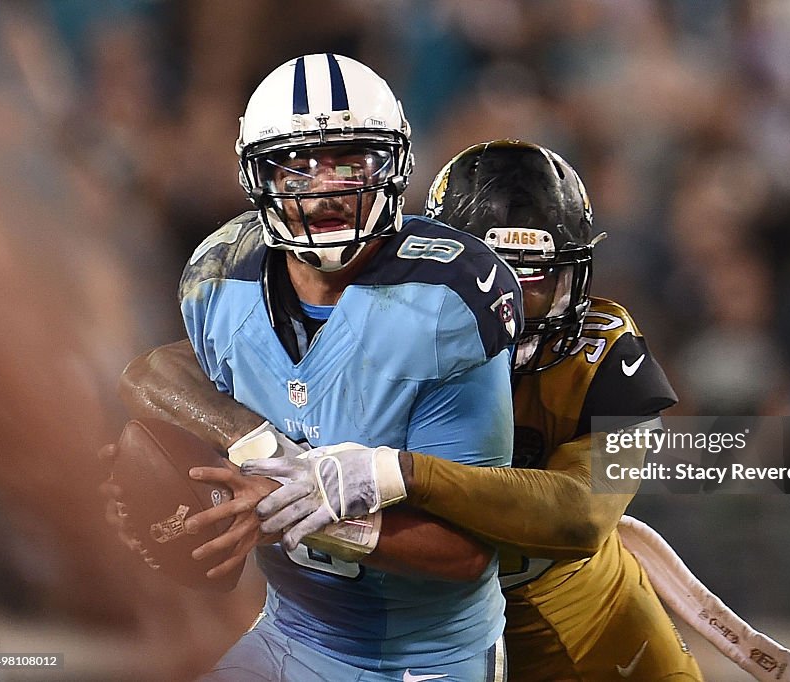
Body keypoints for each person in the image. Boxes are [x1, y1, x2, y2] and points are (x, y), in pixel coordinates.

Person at [126, 140, 704, 680]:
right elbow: (161, 372)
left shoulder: (598, 352)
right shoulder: (397, 324)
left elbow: (579, 515)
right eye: (496, 274)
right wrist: (258, 455)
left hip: (589, 638)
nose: (515, 304)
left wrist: (395, 472)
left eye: (540, 278)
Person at [104, 54, 521, 682]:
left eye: (351, 159)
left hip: (427, 658)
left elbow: (467, 552)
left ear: (394, 165)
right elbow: (157, 372)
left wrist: (284, 507)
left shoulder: (444, 304)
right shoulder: (223, 276)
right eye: (297, 164)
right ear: (259, 177)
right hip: (290, 635)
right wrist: (241, 459)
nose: (325, 187)